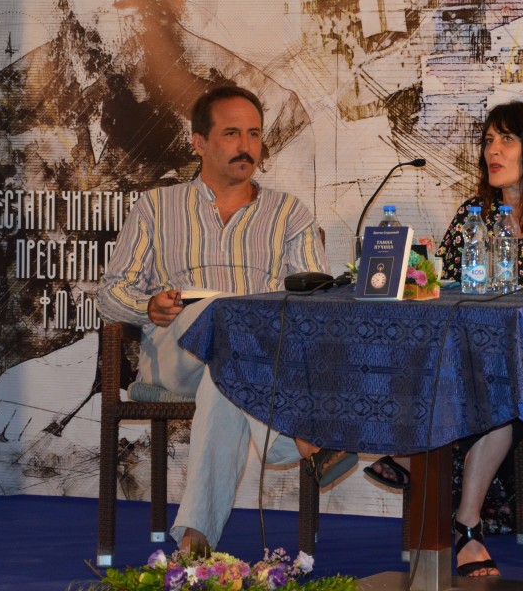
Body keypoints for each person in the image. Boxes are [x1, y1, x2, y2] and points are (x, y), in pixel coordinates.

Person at [0, 0, 313, 466]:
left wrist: (93, 364)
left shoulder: (270, 113)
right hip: (25, 432)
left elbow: (279, 296)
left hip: (191, 404)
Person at [97, 85, 353, 554]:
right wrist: (147, 307)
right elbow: (110, 293)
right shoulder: (156, 208)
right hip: (176, 354)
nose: (246, 146)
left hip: (243, 363)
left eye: (254, 134)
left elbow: (313, 302)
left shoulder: (288, 213)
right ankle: (299, 439)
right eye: (232, 133)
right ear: (199, 142)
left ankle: (194, 540)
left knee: (227, 378)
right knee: (221, 321)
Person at [365, 100, 523, 577]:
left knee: (499, 384)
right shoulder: (474, 214)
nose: (493, 151)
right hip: (473, 358)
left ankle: (456, 509)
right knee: (423, 361)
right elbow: (447, 288)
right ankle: (437, 489)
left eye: (506, 140)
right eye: (488, 141)